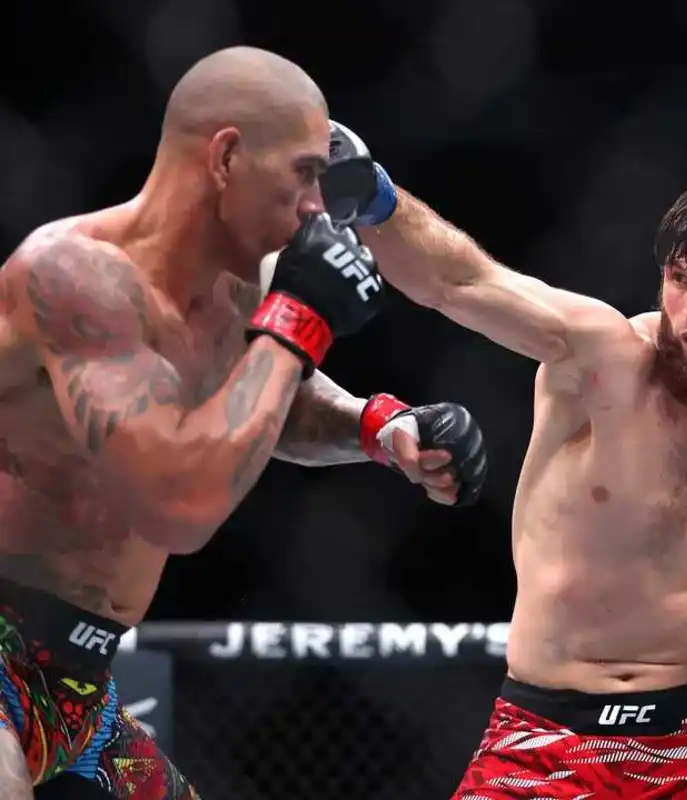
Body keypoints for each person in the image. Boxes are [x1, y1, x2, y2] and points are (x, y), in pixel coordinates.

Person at [0, 49, 487, 799]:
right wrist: (299, 320)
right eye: (301, 175)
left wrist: (375, 427)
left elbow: (267, 400)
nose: (316, 210)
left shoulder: (235, 291)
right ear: (226, 157)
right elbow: (175, 505)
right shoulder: (75, 279)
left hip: (80, 689)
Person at [321, 123, 687, 798]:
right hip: (544, 740)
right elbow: (459, 282)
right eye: (679, 279)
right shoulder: (597, 358)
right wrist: (373, 197)